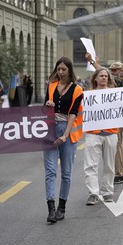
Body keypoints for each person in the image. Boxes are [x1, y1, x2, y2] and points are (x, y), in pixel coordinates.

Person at [43, 57, 83, 223]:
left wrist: (65, 134)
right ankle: (51, 208)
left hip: (67, 131)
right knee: (50, 171)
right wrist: (47, 105)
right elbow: (43, 112)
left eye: (63, 70)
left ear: (69, 70)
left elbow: (73, 113)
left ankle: (62, 207)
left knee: (66, 173)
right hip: (50, 130)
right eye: (58, 69)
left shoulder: (77, 89)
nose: (60, 72)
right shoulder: (51, 86)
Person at [86, 53, 123, 184]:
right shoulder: (115, 80)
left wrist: (93, 62)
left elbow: (104, 75)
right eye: (112, 70)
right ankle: (119, 171)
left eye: (115, 70)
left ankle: (119, 172)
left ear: (121, 71)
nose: (113, 72)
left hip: (116, 118)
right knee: (117, 144)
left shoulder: (121, 81)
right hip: (108, 118)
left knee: (117, 144)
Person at [84, 68, 118, 205]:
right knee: (90, 165)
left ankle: (107, 192)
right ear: (95, 79)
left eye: (106, 76)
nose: (104, 78)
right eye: (101, 76)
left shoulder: (115, 94)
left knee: (109, 166)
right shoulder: (88, 95)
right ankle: (93, 193)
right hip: (93, 133)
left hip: (111, 133)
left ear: (108, 79)